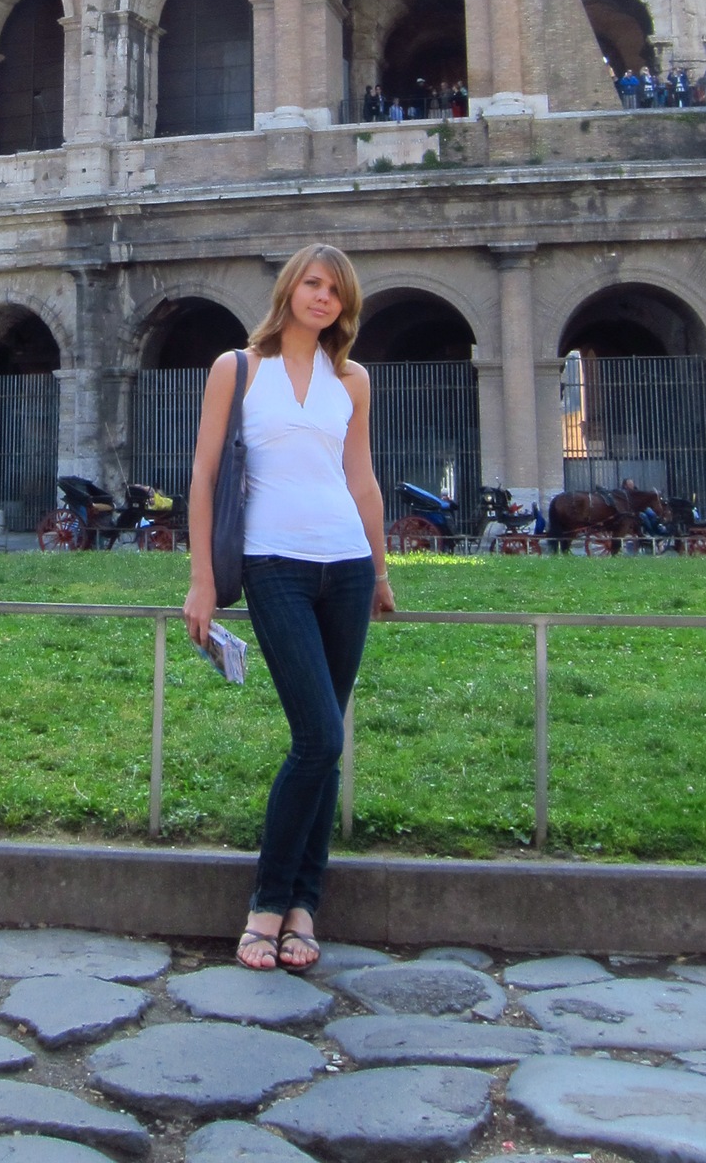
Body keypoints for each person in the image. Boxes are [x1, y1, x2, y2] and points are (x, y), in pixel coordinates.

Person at [183, 243, 394, 974]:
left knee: (325, 739)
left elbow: (361, 479)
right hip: (273, 564)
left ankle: (303, 903)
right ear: (289, 290)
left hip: (347, 567)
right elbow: (204, 474)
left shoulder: (352, 379)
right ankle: (268, 903)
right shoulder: (237, 368)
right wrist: (201, 580)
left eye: (336, 291)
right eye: (313, 283)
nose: (323, 298)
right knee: (319, 737)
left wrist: (381, 569)